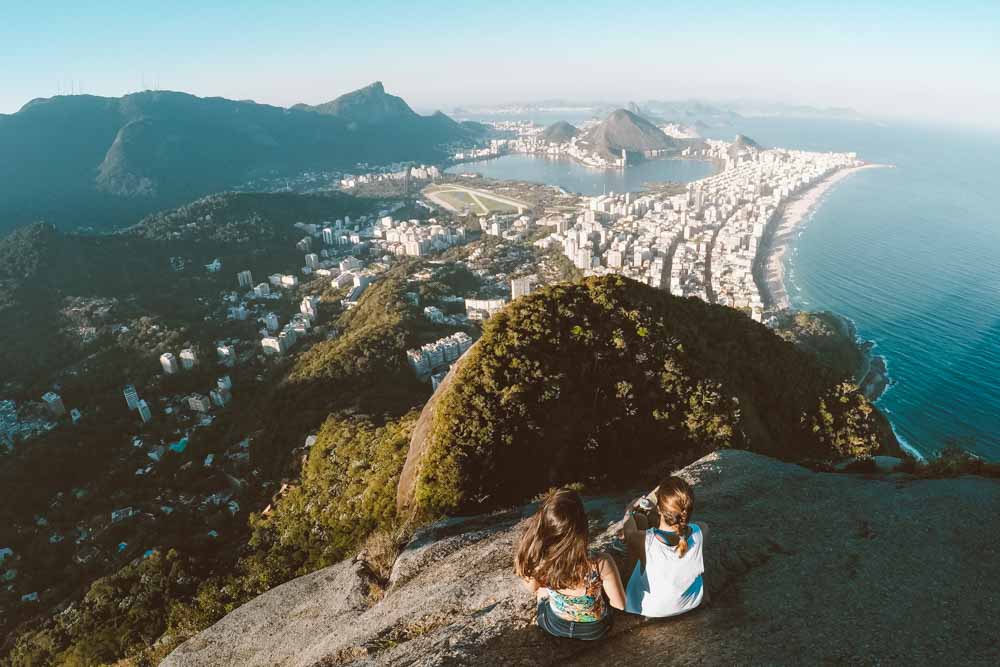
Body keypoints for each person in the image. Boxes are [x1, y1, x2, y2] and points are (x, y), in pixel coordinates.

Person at [514, 488, 626, 640]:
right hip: (595, 631)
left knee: (542, 592)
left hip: (554, 626)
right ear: (582, 526)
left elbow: (531, 588)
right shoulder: (601, 563)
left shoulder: (539, 563)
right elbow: (619, 604)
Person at [622, 476, 706, 618]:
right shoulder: (702, 530)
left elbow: (628, 530)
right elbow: (683, 529)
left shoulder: (642, 539)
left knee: (639, 521)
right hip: (690, 602)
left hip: (652, 609)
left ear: (659, 508)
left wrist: (630, 509)